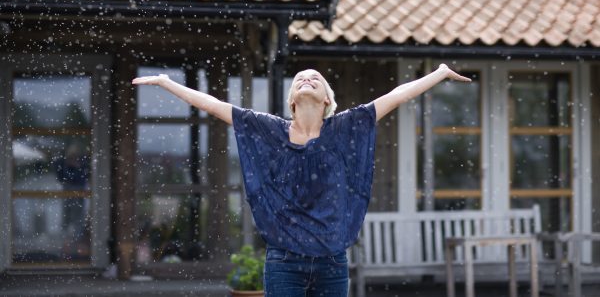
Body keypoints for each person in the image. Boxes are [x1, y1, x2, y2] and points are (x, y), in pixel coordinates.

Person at [132, 64, 470, 296]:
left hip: (332, 262)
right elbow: (214, 104)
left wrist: (438, 74)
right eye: (300, 78)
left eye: (316, 77)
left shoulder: (345, 127)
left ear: (326, 100)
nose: (307, 78)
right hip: (284, 262)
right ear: (292, 100)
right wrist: (168, 82)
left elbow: (398, 95)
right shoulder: (269, 130)